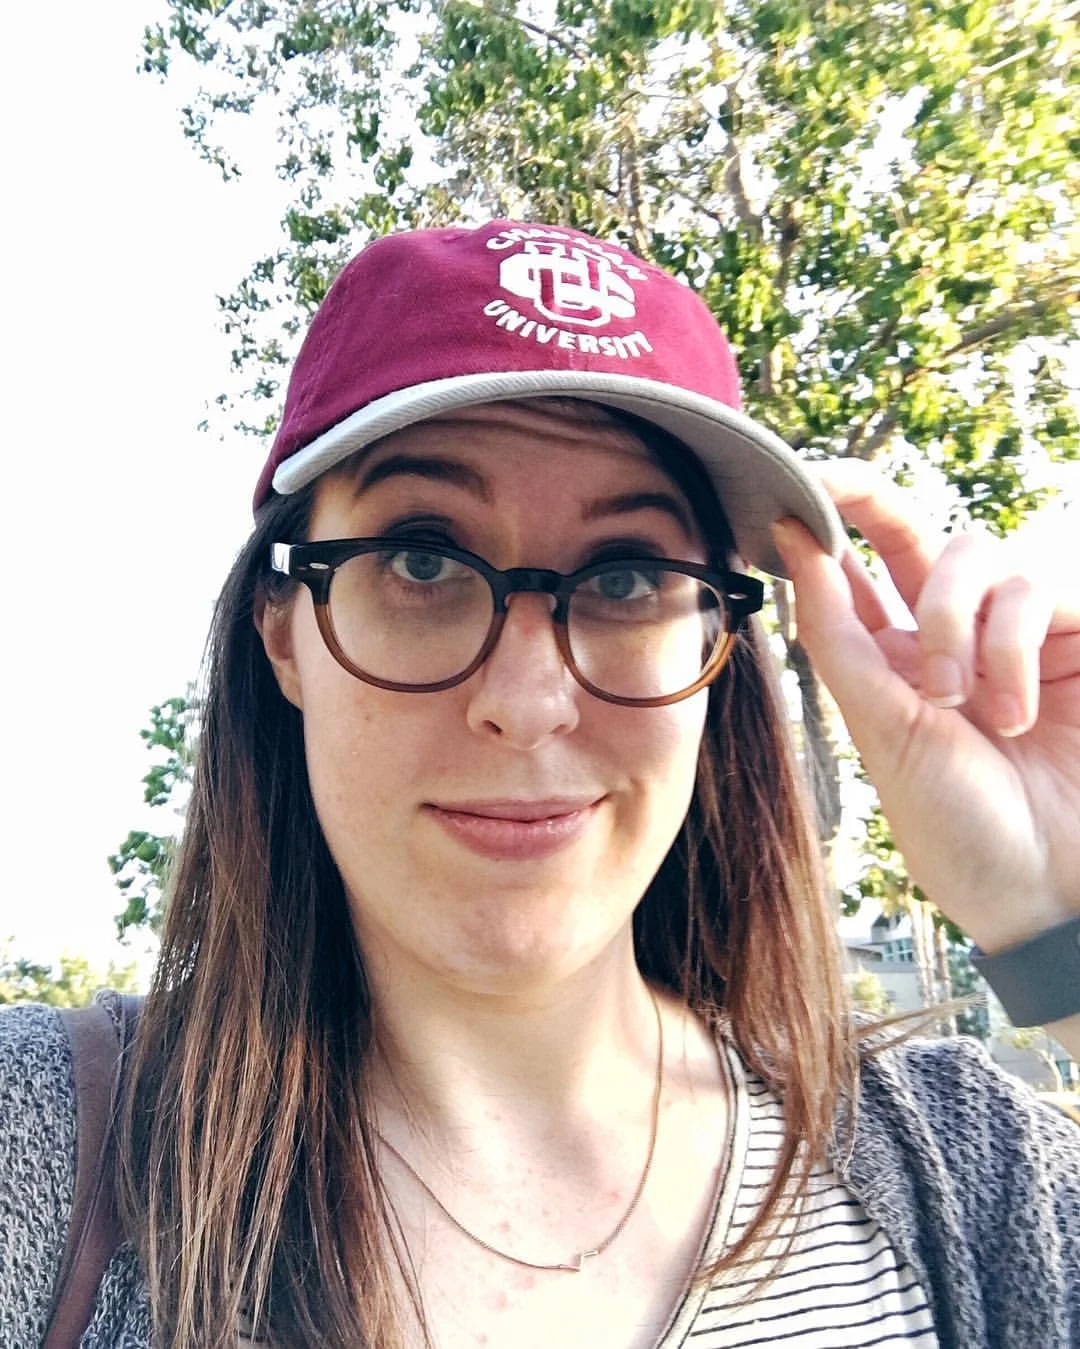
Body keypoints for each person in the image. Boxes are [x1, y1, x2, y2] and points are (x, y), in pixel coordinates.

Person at [2, 219, 1078, 1349]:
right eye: (421, 560)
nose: (528, 701)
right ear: (284, 632)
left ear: (717, 641)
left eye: (627, 575)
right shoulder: (43, 1149)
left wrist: (1054, 912)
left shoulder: (972, 1178)